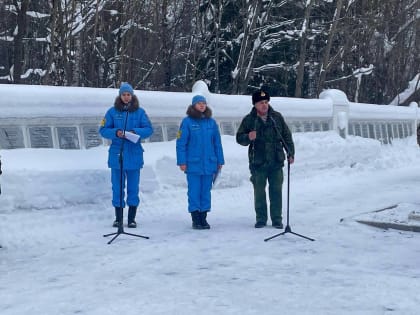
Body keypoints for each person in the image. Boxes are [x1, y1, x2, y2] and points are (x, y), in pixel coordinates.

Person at [236, 89, 295, 229]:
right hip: (258, 162)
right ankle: (261, 218)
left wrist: (290, 152)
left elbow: (286, 136)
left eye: (266, 102)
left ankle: (277, 219)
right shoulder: (249, 119)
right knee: (259, 192)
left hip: (276, 161)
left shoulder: (277, 117)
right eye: (261, 103)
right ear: (255, 104)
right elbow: (239, 138)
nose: (264, 105)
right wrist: (248, 137)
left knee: (276, 191)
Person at [99, 82, 153, 228]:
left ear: (132, 96)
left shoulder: (140, 112)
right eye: (124, 94)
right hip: (118, 155)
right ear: (120, 96)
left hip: (134, 155)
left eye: (129, 94)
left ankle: (131, 219)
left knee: (133, 188)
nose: (126, 97)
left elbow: (149, 130)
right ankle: (118, 218)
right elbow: (103, 130)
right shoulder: (112, 112)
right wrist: (115, 132)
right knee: (117, 187)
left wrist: (136, 132)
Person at [176, 95, 224, 230]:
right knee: (194, 191)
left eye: (204, 103)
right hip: (193, 164)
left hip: (209, 163)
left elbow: (217, 143)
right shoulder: (187, 122)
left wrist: (220, 160)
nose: (202, 105)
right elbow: (181, 143)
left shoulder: (211, 123)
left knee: (206, 191)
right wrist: (182, 161)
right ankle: (195, 218)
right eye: (199, 103)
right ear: (193, 106)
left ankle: (204, 218)